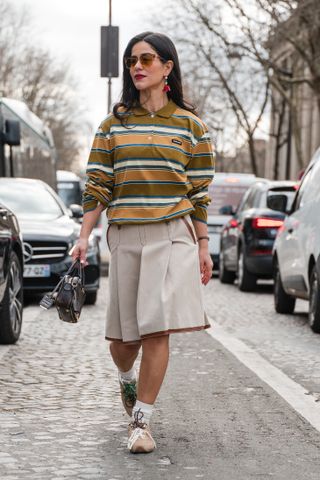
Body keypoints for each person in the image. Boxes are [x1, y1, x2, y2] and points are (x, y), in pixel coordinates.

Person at [71, 31, 215, 454]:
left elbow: (198, 194)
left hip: (174, 233)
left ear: (167, 67)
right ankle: (126, 378)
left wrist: (203, 246)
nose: (138, 66)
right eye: (132, 59)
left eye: (147, 59)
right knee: (124, 341)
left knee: (157, 326)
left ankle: (141, 422)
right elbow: (98, 183)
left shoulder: (192, 127)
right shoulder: (113, 125)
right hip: (127, 234)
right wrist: (84, 235)